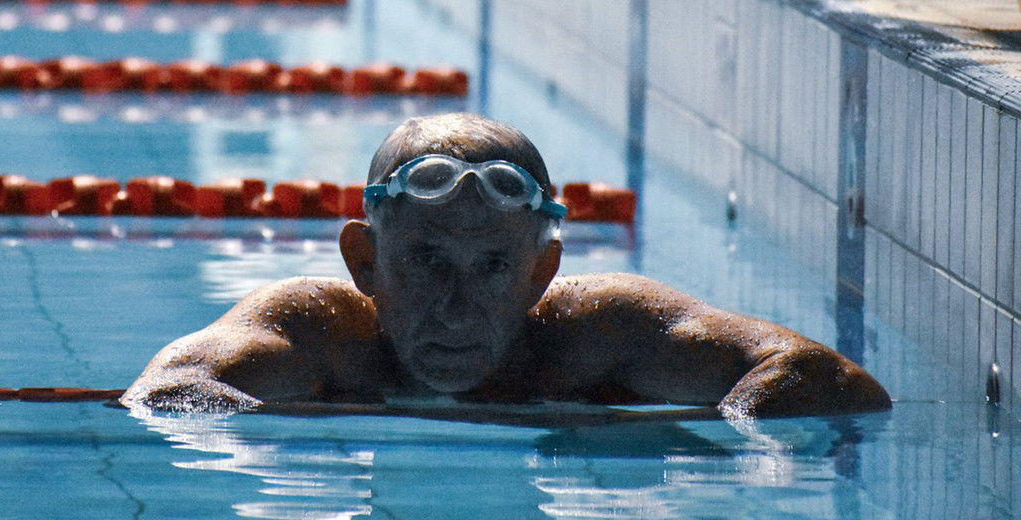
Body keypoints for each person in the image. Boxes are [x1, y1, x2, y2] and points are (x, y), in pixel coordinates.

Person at [122, 113, 890, 418]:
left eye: (492, 267)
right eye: (425, 260)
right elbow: (168, 392)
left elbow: (825, 376)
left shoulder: (602, 329)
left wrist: (731, 445)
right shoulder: (316, 330)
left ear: (539, 274)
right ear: (363, 259)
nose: (455, 308)